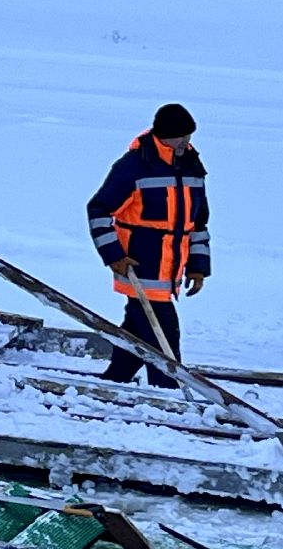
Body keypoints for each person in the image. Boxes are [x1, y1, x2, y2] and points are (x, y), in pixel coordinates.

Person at [86, 103, 210, 389]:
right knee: (164, 336)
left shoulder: (192, 164)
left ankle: (117, 377)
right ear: (163, 135)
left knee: (138, 328)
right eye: (181, 137)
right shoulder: (134, 165)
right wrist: (114, 256)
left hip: (171, 269)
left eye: (189, 136)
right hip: (139, 267)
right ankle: (166, 390)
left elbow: (198, 223)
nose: (186, 142)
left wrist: (198, 266)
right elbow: (99, 210)